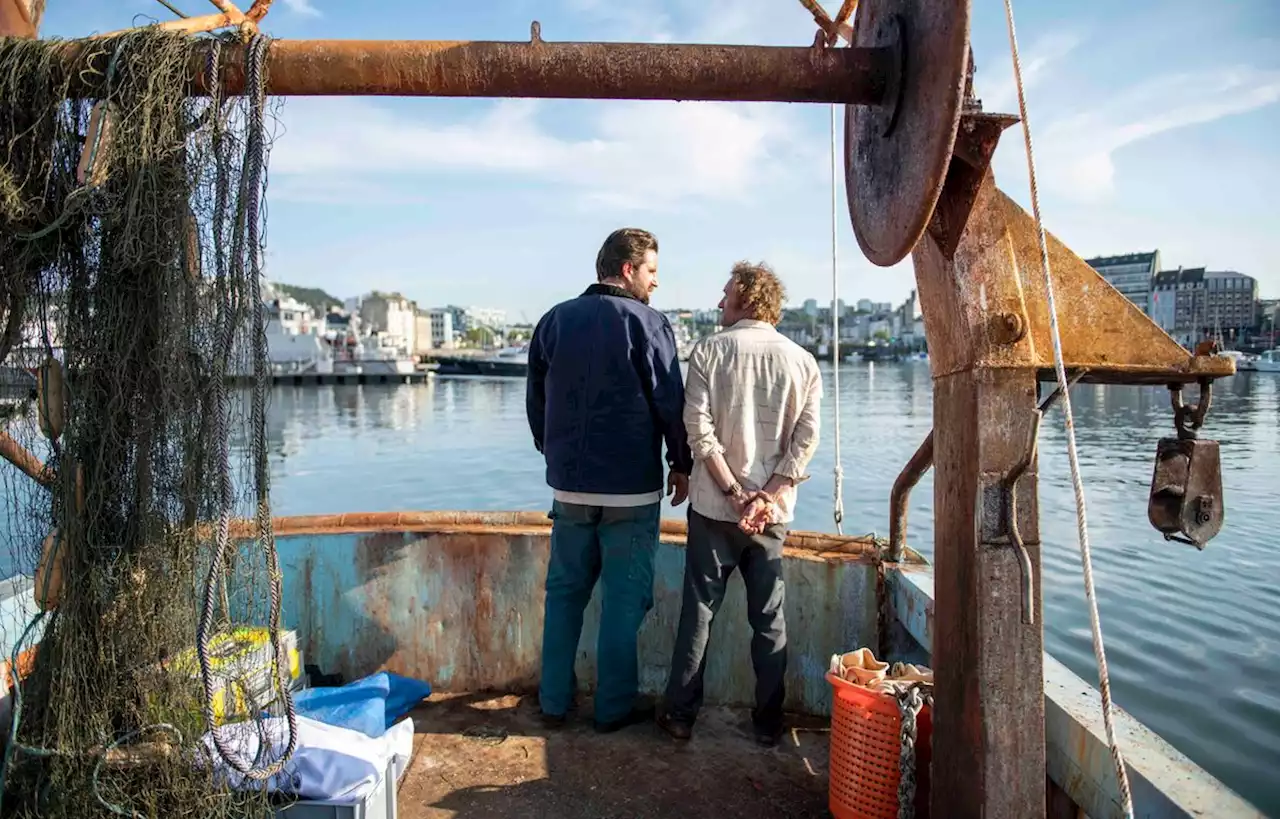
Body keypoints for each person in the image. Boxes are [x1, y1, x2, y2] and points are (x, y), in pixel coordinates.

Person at [526, 227, 693, 734]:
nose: (655, 283)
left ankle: (553, 702)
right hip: (630, 490)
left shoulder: (553, 320)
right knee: (624, 600)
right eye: (652, 272)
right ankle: (612, 706)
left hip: (569, 488)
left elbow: (538, 402)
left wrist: (551, 452)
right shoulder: (648, 324)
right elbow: (670, 402)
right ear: (628, 270)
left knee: (564, 596)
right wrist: (680, 463)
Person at [658, 261, 822, 746]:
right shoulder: (803, 361)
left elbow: (699, 432)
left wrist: (734, 492)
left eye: (726, 292)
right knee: (769, 620)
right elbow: (805, 441)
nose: (718, 301)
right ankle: (769, 724)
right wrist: (765, 497)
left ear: (748, 299)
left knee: (699, 613)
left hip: (713, 508)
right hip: (771, 516)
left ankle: (681, 717)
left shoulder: (710, 351)